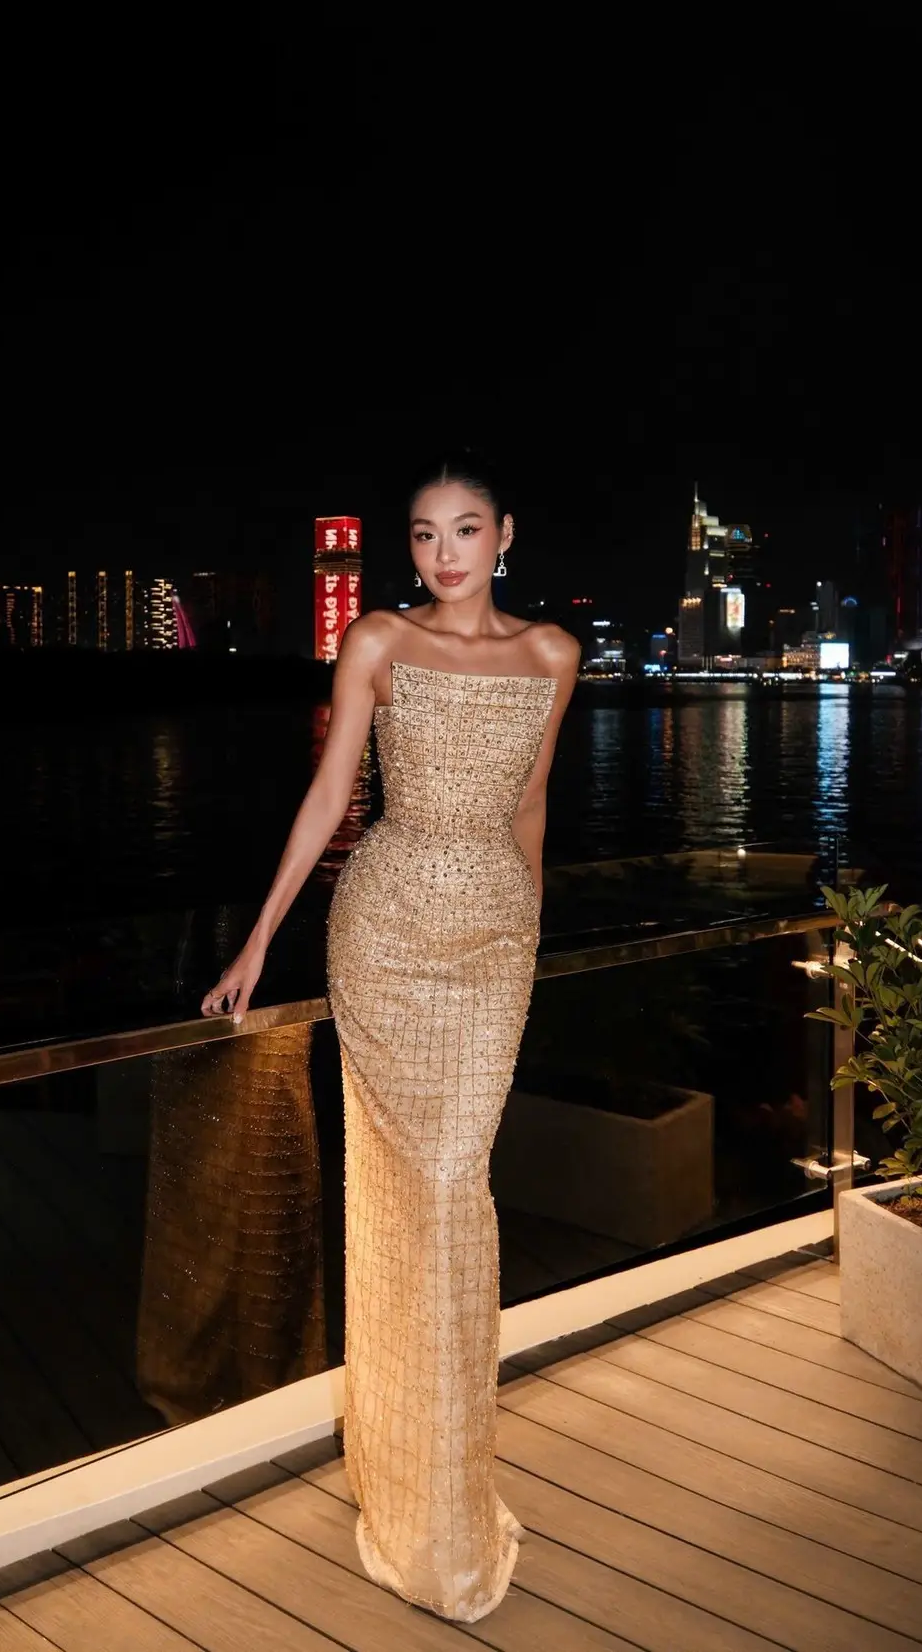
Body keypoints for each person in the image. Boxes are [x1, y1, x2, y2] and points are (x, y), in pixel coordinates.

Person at [202, 454, 579, 1620]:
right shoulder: (377, 640)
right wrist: (260, 939)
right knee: (422, 1194)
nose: (444, 553)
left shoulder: (552, 654)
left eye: (465, 529)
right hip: (387, 932)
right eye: (424, 533)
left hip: (492, 945)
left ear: (504, 536)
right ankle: (427, 1500)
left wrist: (529, 932)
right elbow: (329, 798)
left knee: (454, 1191)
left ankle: (438, 1485)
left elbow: (530, 803)